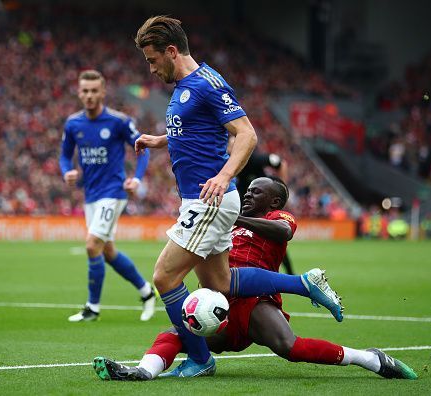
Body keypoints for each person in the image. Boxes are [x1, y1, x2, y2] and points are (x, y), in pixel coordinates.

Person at [133, 16, 343, 377]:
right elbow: (198, 129)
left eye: (152, 60)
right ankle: (303, 283)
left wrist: (224, 175)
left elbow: (246, 134)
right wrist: (161, 139)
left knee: (165, 278)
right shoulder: (186, 87)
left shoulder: (207, 83)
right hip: (199, 199)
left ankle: (200, 359)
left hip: (209, 200)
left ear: (171, 51)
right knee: (221, 283)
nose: (151, 69)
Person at [92, 177, 417, 380]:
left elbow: (283, 231)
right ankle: (143, 372)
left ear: (273, 201)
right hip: (217, 302)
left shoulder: (278, 216)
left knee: (289, 347)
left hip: (256, 301)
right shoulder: (225, 224)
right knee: (176, 333)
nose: (247, 195)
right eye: (246, 191)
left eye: (255, 192)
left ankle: (368, 359)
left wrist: (236, 216)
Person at [59, 70, 156, 322]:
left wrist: (136, 177)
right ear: (79, 93)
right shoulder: (73, 124)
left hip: (113, 192)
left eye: (94, 91)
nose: (89, 95)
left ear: (102, 92)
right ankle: (147, 292)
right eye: (85, 91)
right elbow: (64, 154)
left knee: (92, 245)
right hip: (90, 194)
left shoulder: (118, 122)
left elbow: (143, 149)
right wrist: (67, 170)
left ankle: (93, 308)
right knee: (107, 251)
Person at [235, 147, 295, 275]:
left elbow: (281, 163)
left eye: (231, 143)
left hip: (260, 209)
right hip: (243, 211)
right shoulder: (228, 163)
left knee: (274, 243)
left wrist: (282, 189)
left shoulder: (257, 159)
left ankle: (291, 275)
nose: (228, 147)